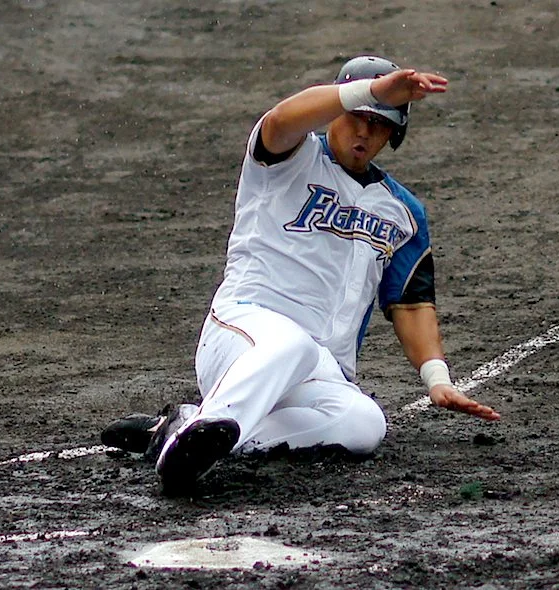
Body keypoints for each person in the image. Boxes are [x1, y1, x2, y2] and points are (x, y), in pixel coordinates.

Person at [101, 55, 500, 495]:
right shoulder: (289, 157)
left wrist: (437, 380)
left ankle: (181, 432)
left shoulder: (404, 213)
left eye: (380, 123)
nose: (365, 131)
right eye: (357, 116)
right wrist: (372, 92)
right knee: (292, 343)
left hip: (322, 372)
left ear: (394, 134)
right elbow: (282, 118)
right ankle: (200, 437)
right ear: (337, 109)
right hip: (244, 336)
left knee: (364, 424)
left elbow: (410, 302)